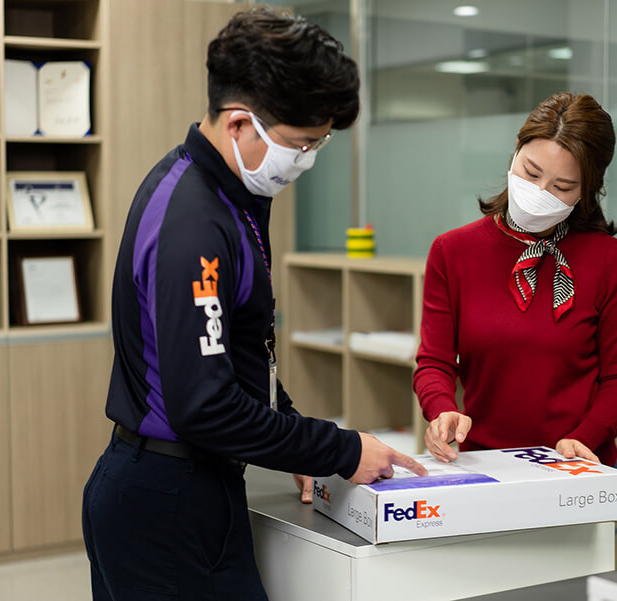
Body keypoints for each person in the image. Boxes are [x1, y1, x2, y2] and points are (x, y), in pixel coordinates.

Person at [81, 8, 425, 601]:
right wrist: (339, 449)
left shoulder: (226, 194)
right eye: (300, 144)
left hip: (188, 486)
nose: (307, 159)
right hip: (165, 501)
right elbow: (205, 406)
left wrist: (292, 436)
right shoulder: (195, 223)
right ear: (240, 123)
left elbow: (243, 355)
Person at [414, 92, 617, 467]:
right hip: (483, 464)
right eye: (531, 173)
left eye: (562, 187)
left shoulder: (611, 262)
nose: (539, 194)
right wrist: (441, 410)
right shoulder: (452, 251)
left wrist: (582, 439)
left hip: (574, 467)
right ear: (515, 152)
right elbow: (434, 362)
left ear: (587, 189)